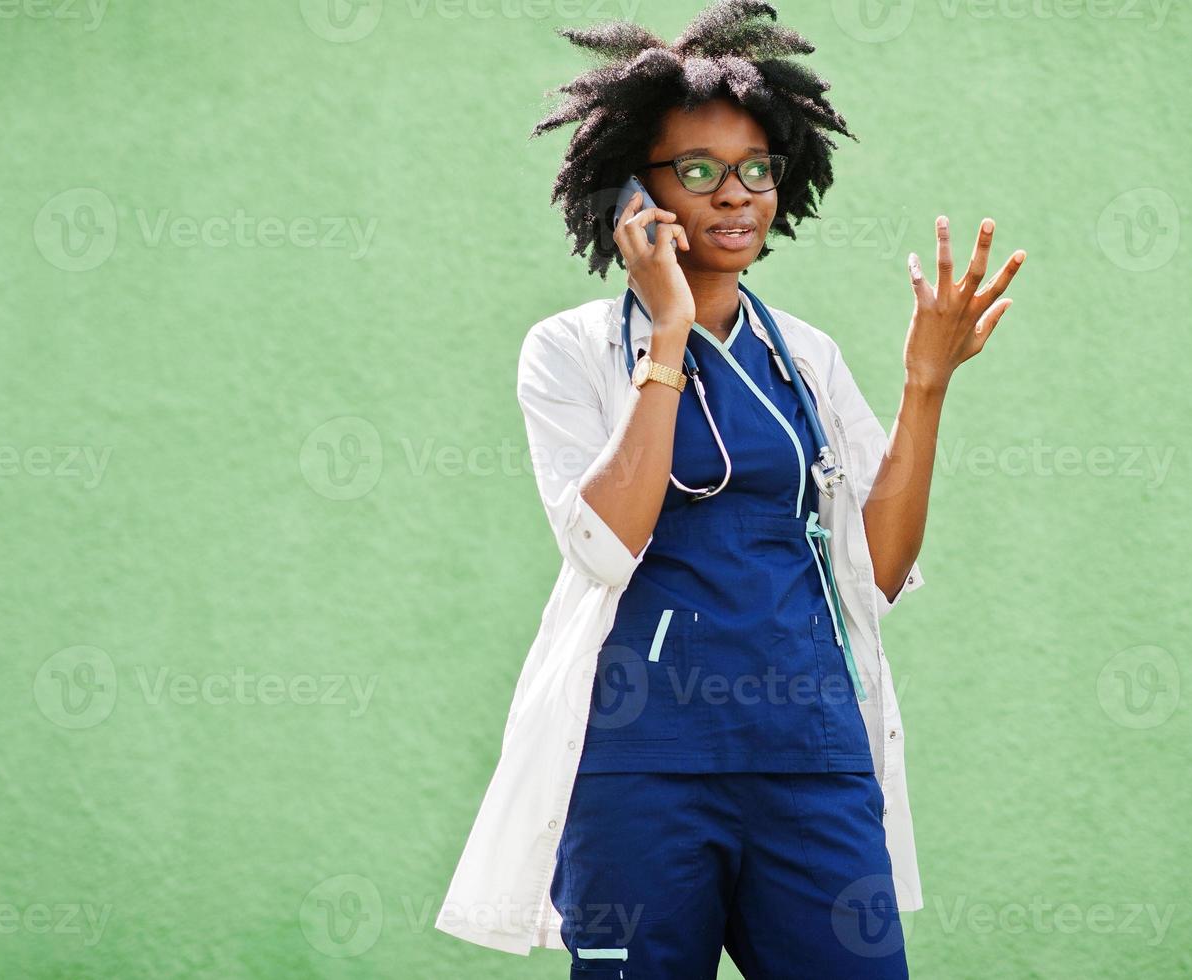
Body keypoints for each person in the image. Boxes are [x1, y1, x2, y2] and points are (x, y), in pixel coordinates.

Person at [435, 2, 1025, 976]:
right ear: (635, 192)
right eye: (699, 171)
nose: (736, 193)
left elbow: (877, 567)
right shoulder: (572, 351)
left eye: (756, 167)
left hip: (810, 758)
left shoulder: (807, 356)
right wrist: (665, 335)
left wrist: (926, 383)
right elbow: (604, 542)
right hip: (642, 767)